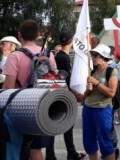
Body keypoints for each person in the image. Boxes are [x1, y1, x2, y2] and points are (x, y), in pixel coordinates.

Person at [2, 19, 57, 160]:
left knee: (16, 148)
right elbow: (54, 81)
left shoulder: (15, 56)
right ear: (38, 34)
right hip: (41, 106)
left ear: (19, 35)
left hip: (18, 108)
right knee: (36, 149)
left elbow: (8, 87)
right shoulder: (48, 54)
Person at [48, 31, 85, 160]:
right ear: (71, 41)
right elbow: (64, 80)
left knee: (55, 124)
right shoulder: (63, 57)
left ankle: (54, 154)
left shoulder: (60, 56)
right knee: (66, 123)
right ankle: (68, 152)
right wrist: (76, 94)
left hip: (59, 93)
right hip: (63, 94)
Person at [81, 44, 118, 160]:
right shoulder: (93, 72)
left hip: (102, 109)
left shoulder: (111, 71)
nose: (92, 57)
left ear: (103, 57)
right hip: (88, 108)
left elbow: (112, 93)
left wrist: (96, 83)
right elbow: (84, 96)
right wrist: (88, 89)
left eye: (95, 55)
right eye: (92, 54)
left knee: (105, 142)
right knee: (89, 141)